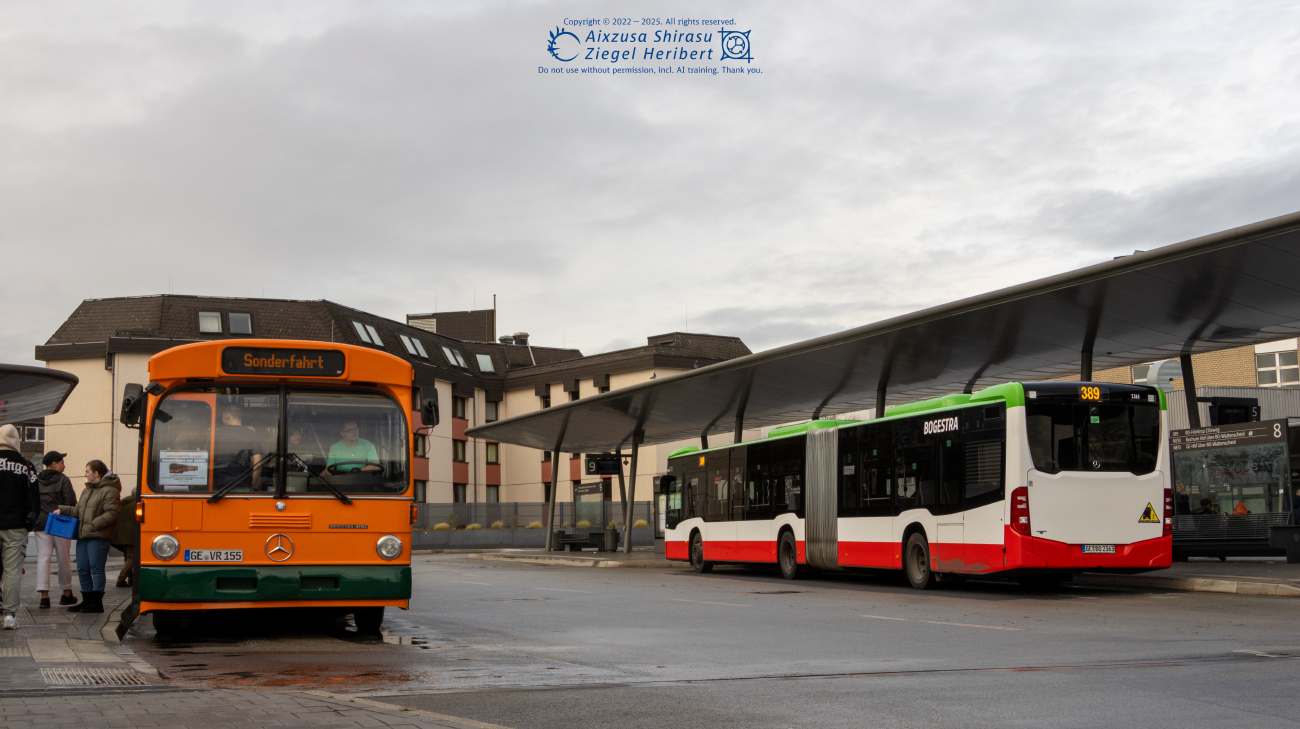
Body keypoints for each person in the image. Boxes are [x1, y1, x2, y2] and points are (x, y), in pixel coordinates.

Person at [55, 460, 120, 614]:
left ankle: (96, 603)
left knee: (96, 569)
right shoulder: (87, 490)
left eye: (87, 471)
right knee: (82, 568)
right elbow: (79, 511)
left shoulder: (110, 490)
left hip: (97, 536)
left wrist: (92, 525)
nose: (84, 474)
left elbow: (112, 514)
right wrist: (62, 510)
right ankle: (86, 601)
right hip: (83, 536)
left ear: (96, 473)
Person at [0, 424, 38, 630]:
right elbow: (34, 498)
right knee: (13, 571)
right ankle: (9, 615)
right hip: (15, 526)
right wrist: (29, 522)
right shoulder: (26, 465)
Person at [34, 451, 77, 608]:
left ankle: (44, 597)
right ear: (54, 464)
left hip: (41, 524)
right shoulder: (63, 480)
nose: (64, 465)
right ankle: (66, 593)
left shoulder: (36, 480)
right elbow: (71, 502)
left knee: (43, 559)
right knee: (63, 558)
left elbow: (32, 502)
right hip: (60, 523)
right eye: (62, 462)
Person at [214, 404, 264, 490]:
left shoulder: (216, 434)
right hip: (243, 485)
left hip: (219, 487)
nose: (222, 419)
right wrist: (254, 483)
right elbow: (258, 463)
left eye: (222, 416)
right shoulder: (252, 434)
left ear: (227, 416)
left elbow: (206, 458)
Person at [112, 482, 138, 588]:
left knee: (127, 558)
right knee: (132, 558)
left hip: (121, 533)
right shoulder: (137, 503)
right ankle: (121, 579)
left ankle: (131, 579)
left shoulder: (124, 502)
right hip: (132, 534)